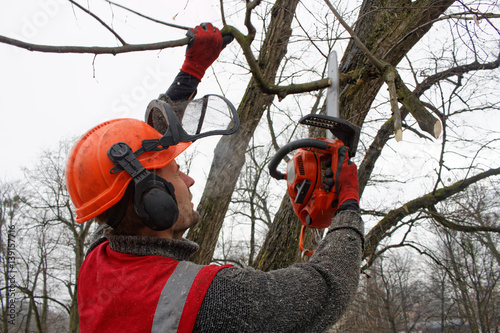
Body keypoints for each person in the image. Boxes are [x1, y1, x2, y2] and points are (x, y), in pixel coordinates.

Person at [66, 23, 364, 333]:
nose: (190, 180)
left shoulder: (97, 263)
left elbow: (134, 158)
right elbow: (328, 288)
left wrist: (190, 73)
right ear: (152, 200)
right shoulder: (212, 298)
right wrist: (348, 203)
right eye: (177, 172)